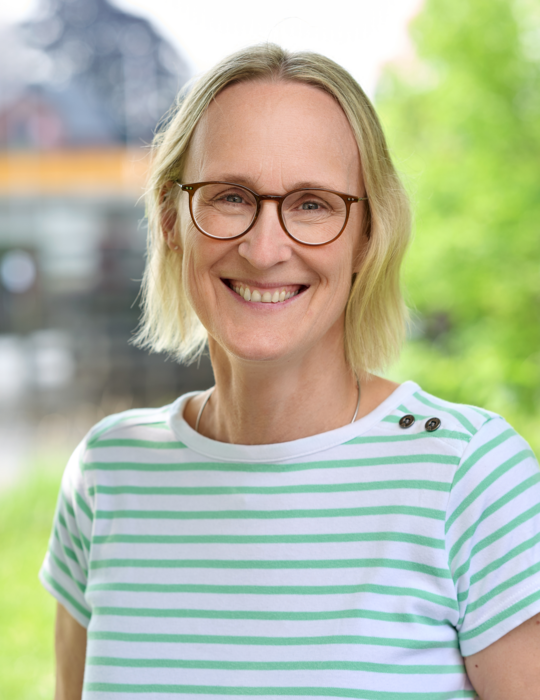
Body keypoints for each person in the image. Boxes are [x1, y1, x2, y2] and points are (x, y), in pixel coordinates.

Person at [40, 44, 540, 700]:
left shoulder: (470, 479)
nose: (264, 247)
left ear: (367, 235)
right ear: (170, 220)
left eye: (311, 204)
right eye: (230, 196)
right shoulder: (108, 475)